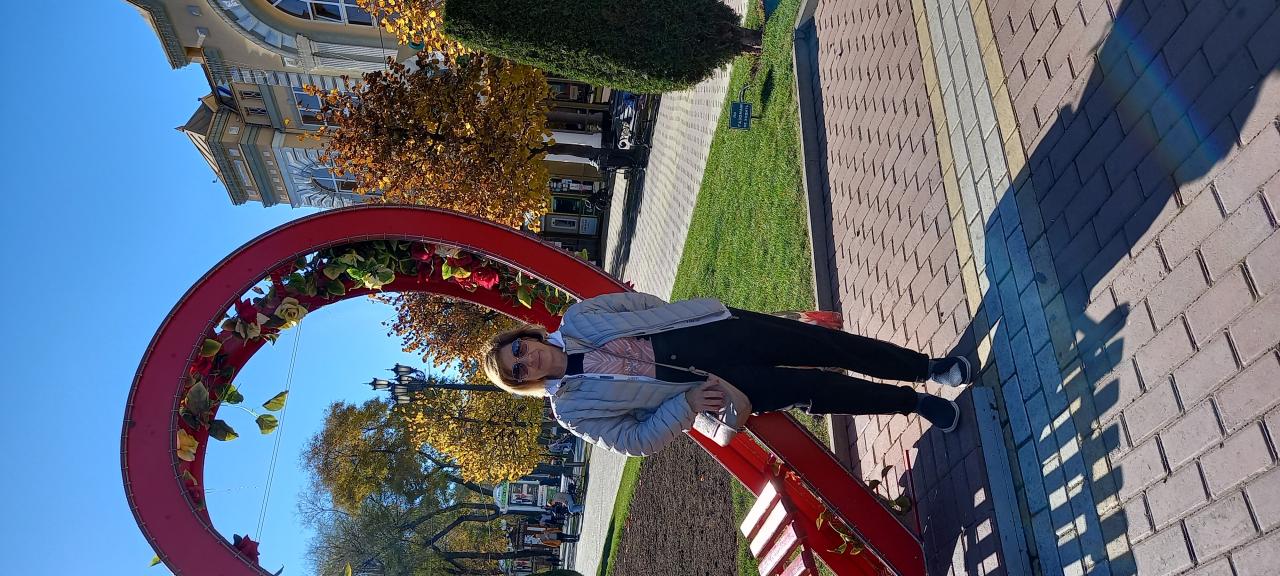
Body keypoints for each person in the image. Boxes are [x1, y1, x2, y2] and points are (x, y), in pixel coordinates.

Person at [480, 292, 972, 457]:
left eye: (517, 350)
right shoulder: (571, 409)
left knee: (824, 346)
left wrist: (682, 321)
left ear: (526, 336)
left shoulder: (579, 318)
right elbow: (633, 441)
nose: (526, 361)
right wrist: (686, 406)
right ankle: (913, 403)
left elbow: (640, 304)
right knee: (814, 390)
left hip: (713, 333)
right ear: (523, 384)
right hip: (711, 388)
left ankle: (926, 368)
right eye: (516, 371)